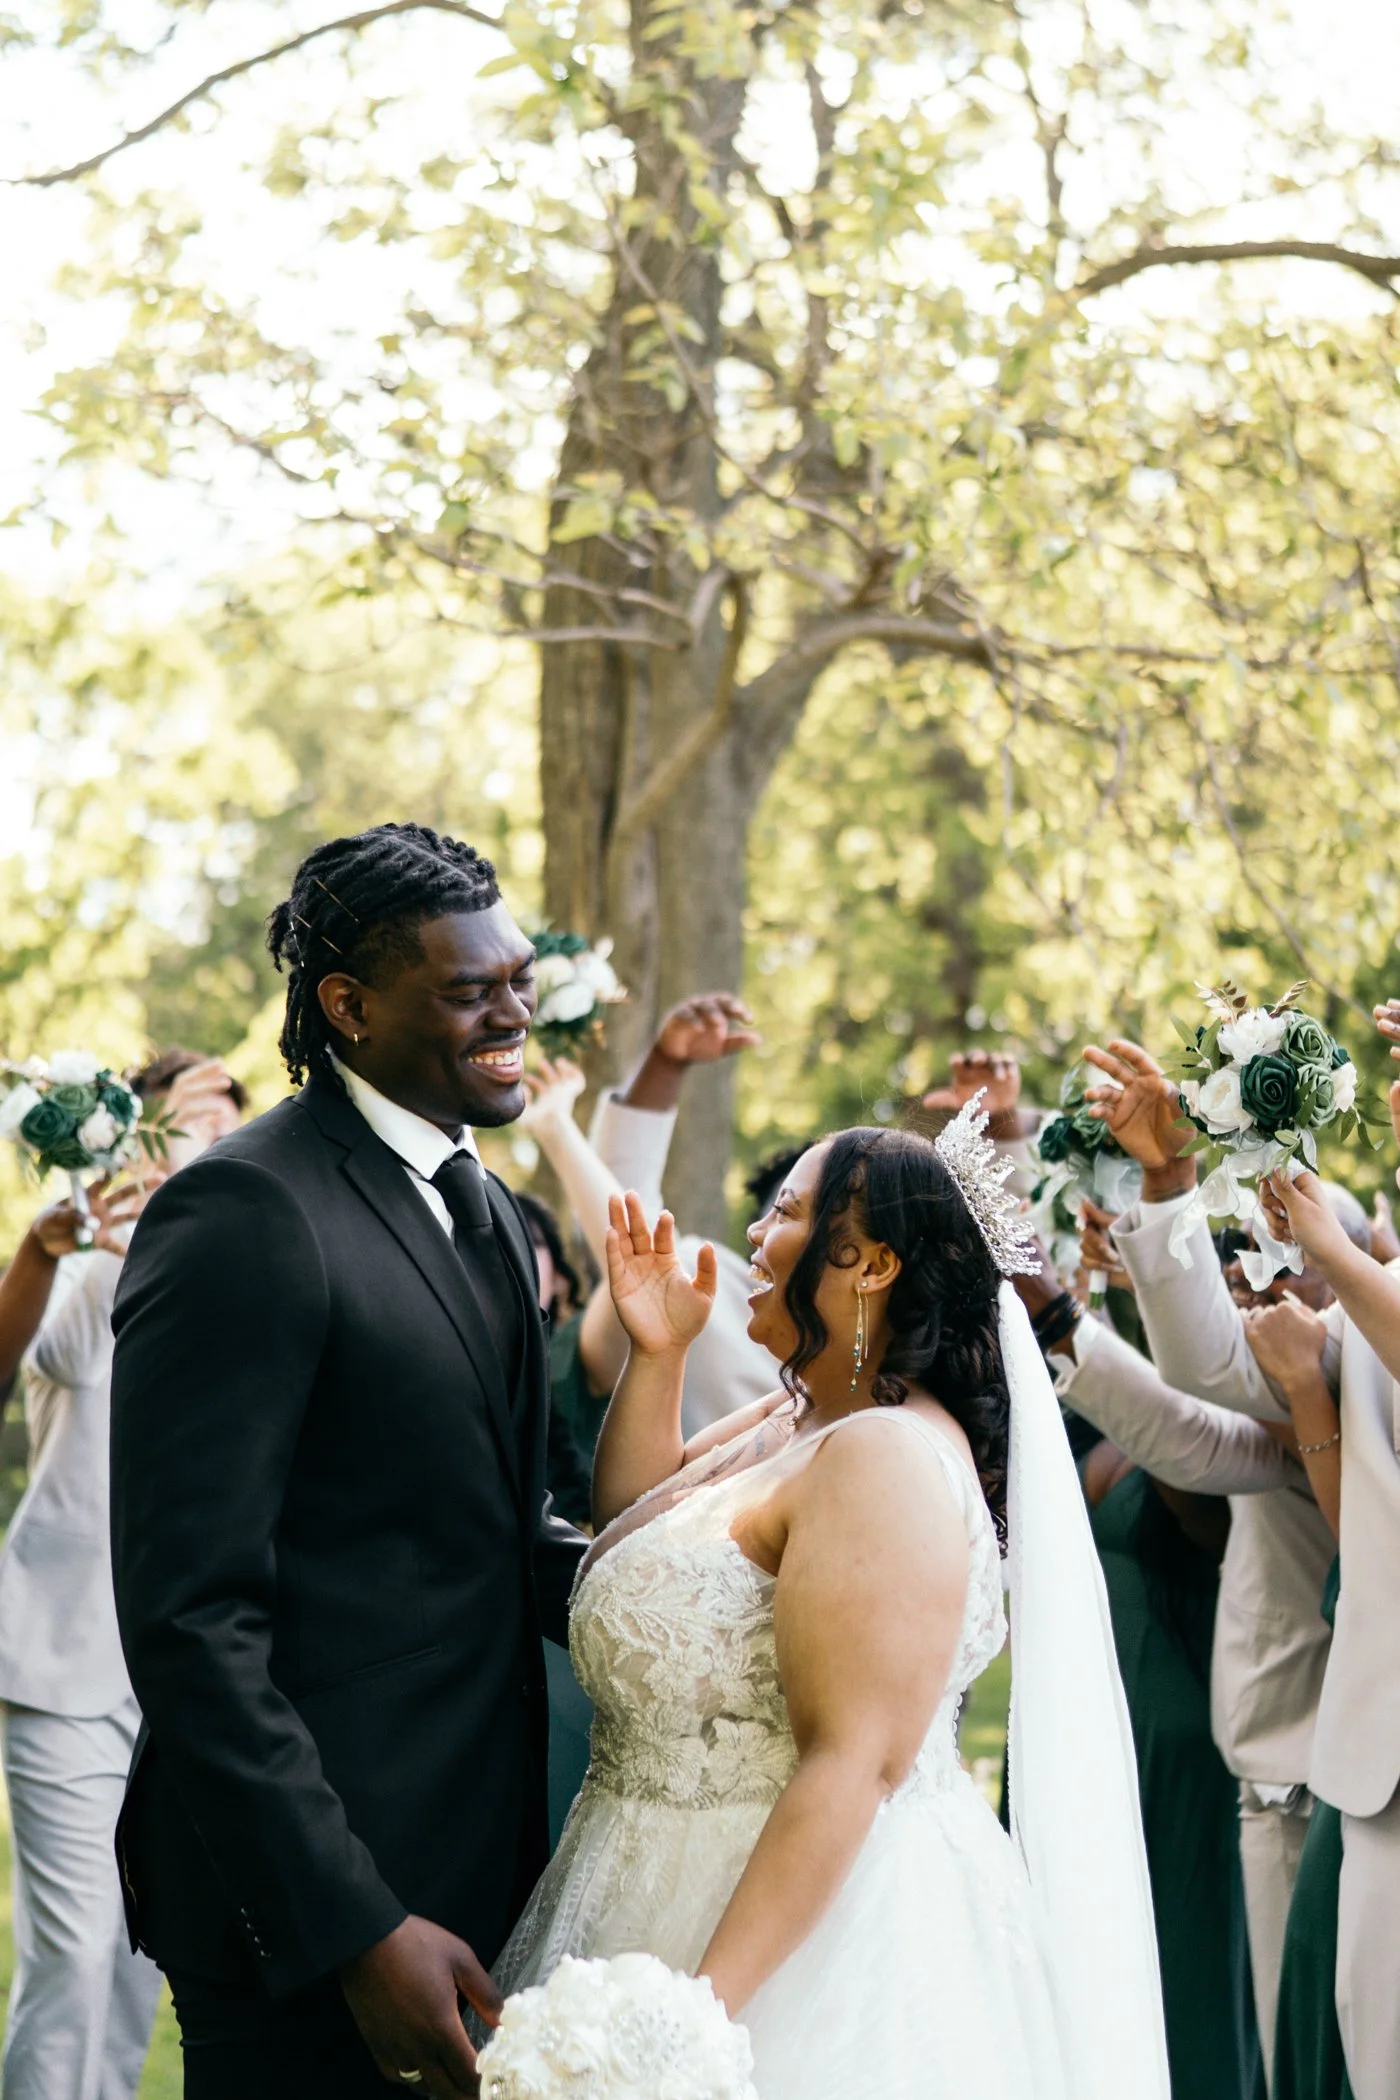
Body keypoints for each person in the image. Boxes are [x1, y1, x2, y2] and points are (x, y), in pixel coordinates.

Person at [495, 1104, 1171, 2100]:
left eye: (785, 1212)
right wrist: (660, 1354)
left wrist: (677, 2030)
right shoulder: (800, 1414)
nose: (755, 1239)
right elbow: (638, 1524)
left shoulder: (881, 1456)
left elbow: (851, 1764)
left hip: (800, 1945)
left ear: (868, 1263)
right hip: (643, 1874)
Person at [108, 823, 586, 2100]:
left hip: (478, 1868)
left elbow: (489, 1524)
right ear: (349, 1006)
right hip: (315, 1911)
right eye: (470, 990)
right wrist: (355, 1928)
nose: (514, 1013)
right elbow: (189, 1618)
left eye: (518, 978)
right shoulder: (244, 1212)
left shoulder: (474, 1199)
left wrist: (686, 1585)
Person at [1081, 1033, 1396, 2100]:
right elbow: (1204, 1382)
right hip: (1314, 1772)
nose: (1265, 1283)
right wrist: (1167, 1182)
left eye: (1285, 1256)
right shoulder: (1336, 1354)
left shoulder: (1356, 1321)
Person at [0, 1052, 244, 2100]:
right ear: (138, 1140)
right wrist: (41, 1249)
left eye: (230, 1121)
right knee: (74, 1947)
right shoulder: (96, 1270)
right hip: (63, 1667)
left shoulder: (251, 1287)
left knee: (151, 1957)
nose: (216, 1138)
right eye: (192, 1117)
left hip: (186, 1684)